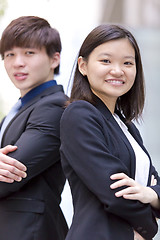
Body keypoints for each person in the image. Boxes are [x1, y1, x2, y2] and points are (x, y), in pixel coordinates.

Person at [60, 24, 160, 240]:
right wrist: (149, 225)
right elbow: (116, 192)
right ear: (83, 66)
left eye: (127, 63)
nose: (117, 70)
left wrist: (151, 193)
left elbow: (155, 182)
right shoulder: (80, 114)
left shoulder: (127, 127)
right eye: (106, 61)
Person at [0, 16, 68, 240]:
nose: (17, 62)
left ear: (54, 59)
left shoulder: (55, 107)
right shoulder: (18, 110)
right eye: (9, 54)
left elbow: (11, 175)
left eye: (29, 53)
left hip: (30, 231)